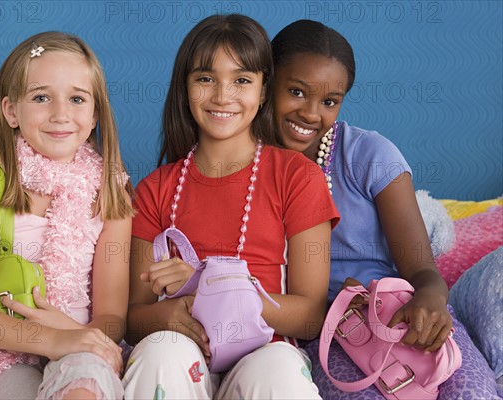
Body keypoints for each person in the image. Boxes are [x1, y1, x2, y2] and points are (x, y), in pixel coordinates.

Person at [271, 19, 500, 399]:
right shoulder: (247, 164)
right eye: (296, 91)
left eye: (329, 101)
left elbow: (423, 269)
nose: (311, 114)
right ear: (267, 81)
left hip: (399, 311)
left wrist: (430, 298)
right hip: (329, 333)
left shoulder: (369, 155)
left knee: (472, 391)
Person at [122, 14, 339, 399]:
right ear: (185, 87)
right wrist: (168, 314)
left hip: (264, 353)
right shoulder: (155, 189)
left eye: (241, 80)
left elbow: (310, 317)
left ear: (264, 89)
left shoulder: (298, 177)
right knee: (159, 353)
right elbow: (134, 318)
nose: (223, 95)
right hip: (183, 352)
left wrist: (214, 291)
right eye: (205, 78)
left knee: (279, 372)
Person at [0, 31, 133, 400]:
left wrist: (71, 335)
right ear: (11, 111)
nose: (60, 114)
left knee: (87, 381)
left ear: (94, 115)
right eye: (41, 97)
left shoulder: (110, 190)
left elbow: (111, 317)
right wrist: (48, 338)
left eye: (76, 99)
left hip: (75, 341)